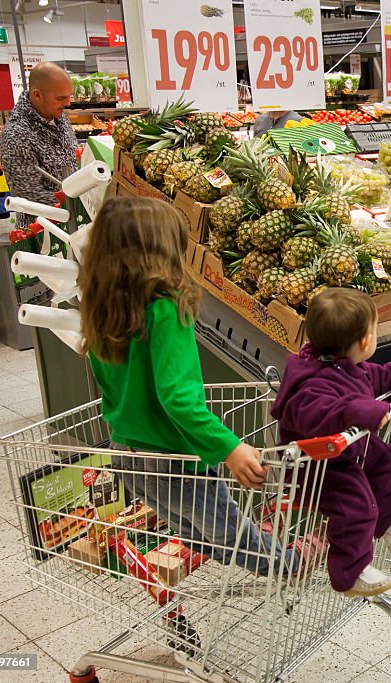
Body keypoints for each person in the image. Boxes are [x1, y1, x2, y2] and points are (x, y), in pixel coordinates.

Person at [78, 196, 298, 579]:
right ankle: (295, 565)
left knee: (201, 534)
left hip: (127, 454)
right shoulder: (165, 308)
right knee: (229, 535)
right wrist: (229, 447)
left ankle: (279, 558)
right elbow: (178, 398)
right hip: (174, 457)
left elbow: (110, 390)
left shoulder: (102, 309)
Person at [270, 288, 391, 597]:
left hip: (345, 453)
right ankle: (349, 574)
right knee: (356, 505)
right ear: (364, 340)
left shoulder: (345, 365)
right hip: (315, 467)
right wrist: (365, 410)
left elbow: (374, 377)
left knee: (387, 459)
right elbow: (320, 414)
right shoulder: (308, 382)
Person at [0, 62, 78, 228]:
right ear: (37, 95)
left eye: (70, 96)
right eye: (61, 98)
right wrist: (77, 203)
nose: (68, 103)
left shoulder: (59, 117)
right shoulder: (16, 135)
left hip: (74, 220)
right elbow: (29, 195)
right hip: (42, 232)